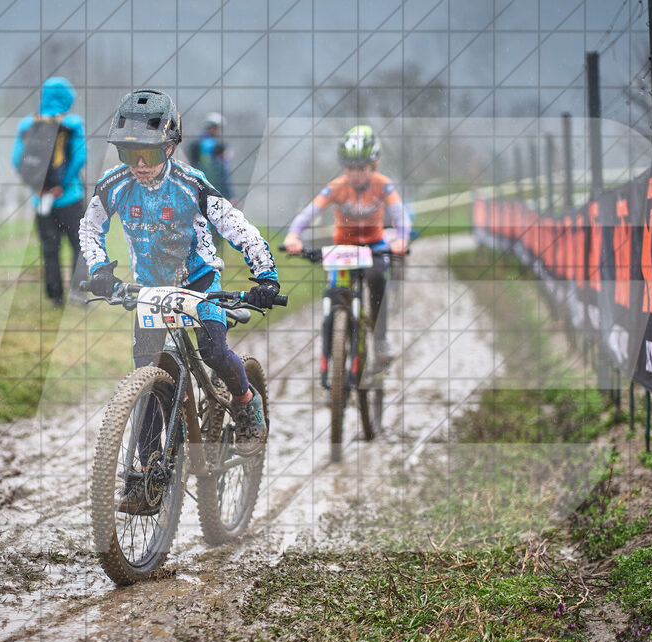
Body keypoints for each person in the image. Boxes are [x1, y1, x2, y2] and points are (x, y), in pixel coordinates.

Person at [79, 89, 279, 513]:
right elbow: (89, 228)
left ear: (170, 147)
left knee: (212, 349)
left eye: (149, 154)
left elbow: (236, 226)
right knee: (148, 379)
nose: (139, 164)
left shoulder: (191, 183)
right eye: (129, 153)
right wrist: (99, 268)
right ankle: (146, 475)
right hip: (150, 290)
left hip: (200, 283)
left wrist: (265, 273)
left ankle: (245, 402)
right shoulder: (114, 185)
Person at [283, 124, 411, 372]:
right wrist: (293, 235)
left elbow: (400, 215)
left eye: (361, 168)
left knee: (377, 280)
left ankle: (381, 340)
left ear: (372, 166)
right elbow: (310, 212)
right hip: (343, 248)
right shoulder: (336, 186)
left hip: (374, 247)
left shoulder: (383, 185)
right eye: (350, 168)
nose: (355, 174)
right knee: (336, 292)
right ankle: (334, 343)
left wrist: (401, 239)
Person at [12, 76, 87, 307]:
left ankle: (55, 297)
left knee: (49, 248)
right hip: (70, 197)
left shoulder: (27, 124)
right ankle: (79, 291)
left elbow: (16, 160)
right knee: (81, 245)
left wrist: (38, 186)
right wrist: (61, 185)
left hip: (41, 199)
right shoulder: (72, 124)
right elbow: (80, 157)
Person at [186, 112, 234, 201]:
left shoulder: (196, 143)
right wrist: (229, 196)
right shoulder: (213, 145)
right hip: (212, 190)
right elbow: (221, 171)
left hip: (197, 189)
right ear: (214, 128)